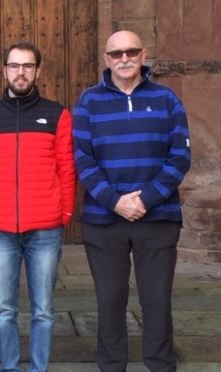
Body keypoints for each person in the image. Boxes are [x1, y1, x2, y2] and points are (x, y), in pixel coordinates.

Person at [73, 30, 191, 372]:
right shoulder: (88, 101)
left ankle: (160, 365)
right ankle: (111, 367)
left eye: (131, 51)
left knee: (157, 302)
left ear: (143, 54)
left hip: (158, 218)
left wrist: (147, 198)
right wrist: (115, 201)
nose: (124, 58)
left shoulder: (167, 99)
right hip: (104, 220)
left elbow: (180, 156)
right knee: (109, 301)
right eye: (116, 53)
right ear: (106, 59)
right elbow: (82, 158)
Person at [0, 41, 76, 372]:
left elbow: (66, 168)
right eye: (14, 66)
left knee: (43, 309)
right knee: (4, 308)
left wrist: (65, 213)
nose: (20, 72)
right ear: (4, 70)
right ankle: (10, 367)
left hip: (45, 229)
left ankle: (38, 368)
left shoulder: (57, 114)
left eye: (27, 66)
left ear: (37, 71)